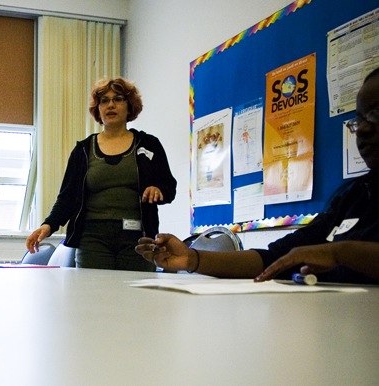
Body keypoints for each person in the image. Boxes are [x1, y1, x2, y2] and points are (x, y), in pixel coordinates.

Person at [136, 68, 379, 284]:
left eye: (375, 115)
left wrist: (338, 253)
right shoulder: (352, 197)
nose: (364, 129)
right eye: (358, 120)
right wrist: (191, 259)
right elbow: (274, 259)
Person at [26, 77, 177, 271]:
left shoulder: (149, 144)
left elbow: (169, 188)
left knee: (138, 296)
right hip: (92, 238)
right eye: (104, 100)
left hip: (138, 236)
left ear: (129, 106)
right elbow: (67, 198)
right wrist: (47, 226)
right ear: (97, 109)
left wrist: (158, 189)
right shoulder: (83, 150)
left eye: (118, 99)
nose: (111, 105)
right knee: (94, 295)